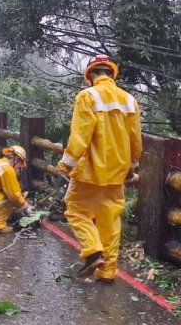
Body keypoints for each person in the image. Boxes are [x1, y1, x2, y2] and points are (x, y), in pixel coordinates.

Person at [57, 55, 142, 281]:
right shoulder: (129, 100)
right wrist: (132, 168)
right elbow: (136, 140)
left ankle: (93, 252)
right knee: (110, 220)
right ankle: (108, 271)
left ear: (91, 75)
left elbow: (80, 136)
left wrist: (66, 164)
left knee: (76, 210)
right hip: (117, 172)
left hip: (90, 170)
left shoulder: (87, 96)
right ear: (112, 74)